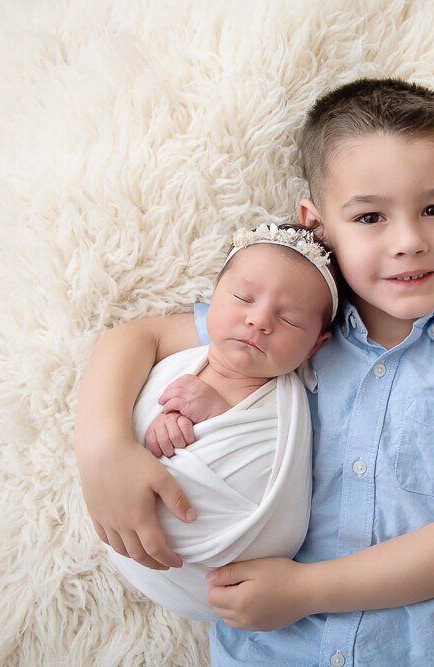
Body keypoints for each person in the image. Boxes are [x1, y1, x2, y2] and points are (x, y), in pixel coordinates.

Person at [74, 78, 434, 665]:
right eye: (370, 216)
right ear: (318, 227)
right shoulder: (285, 331)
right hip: (274, 650)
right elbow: (135, 338)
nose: (408, 241)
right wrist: (102, 449)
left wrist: (304, 591)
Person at [78, 223, 339, 622]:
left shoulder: (300, 387)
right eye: (242, 297)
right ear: (213, 298)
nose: (259, 320)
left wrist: (214, 411)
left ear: (315, 346)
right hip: (119, 521)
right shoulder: (188, 351)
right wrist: (114, 445)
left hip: (241, 583)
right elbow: (128, 342)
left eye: (289, 320)